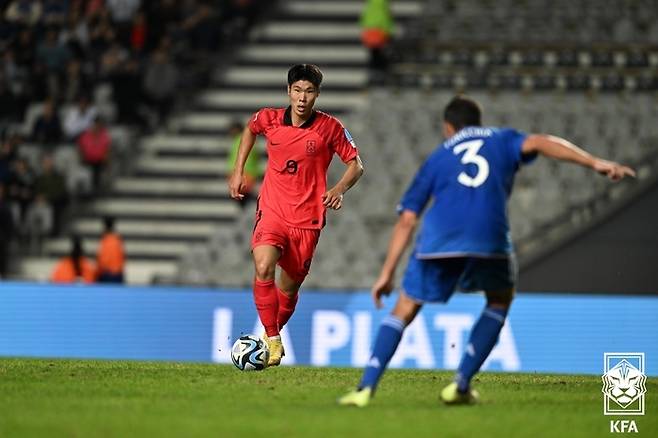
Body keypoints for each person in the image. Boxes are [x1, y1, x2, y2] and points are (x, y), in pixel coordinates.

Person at [338, 96, 635, 407]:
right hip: (488, 239)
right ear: (477, 121)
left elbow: (408, 219)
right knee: (499, 299)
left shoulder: (438, 157)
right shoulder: (502, 138)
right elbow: (541, 141)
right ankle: (461, 384)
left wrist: (387, 274)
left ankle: (365, 388)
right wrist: (595, 162)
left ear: (447, 127)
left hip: (440, 241)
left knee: (404, 308)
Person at [228, 64, 364, 367]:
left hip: (307, 220)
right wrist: (238, 171)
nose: (303, 97)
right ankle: (273, 340)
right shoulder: (269, 119)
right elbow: (250, 130)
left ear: (317, 94)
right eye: (298, 90)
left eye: (310, 91)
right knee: (263, 264)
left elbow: (356, 165)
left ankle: (268, 339)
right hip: (273, 210)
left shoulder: (330, 128)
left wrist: (339, 188)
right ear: (289, 91)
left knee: (287, 290)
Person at [227, 121, 261, 210]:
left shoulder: (240, 141)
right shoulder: (246, 140)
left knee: (245, 202)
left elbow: (236, 159)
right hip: (249, 175)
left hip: (244, 175)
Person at [96, 216, 125, 283]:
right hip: (117, 273)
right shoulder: (118, 239)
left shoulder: (104, 240)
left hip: (107, 274)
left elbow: (102, 259)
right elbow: (122, 257)